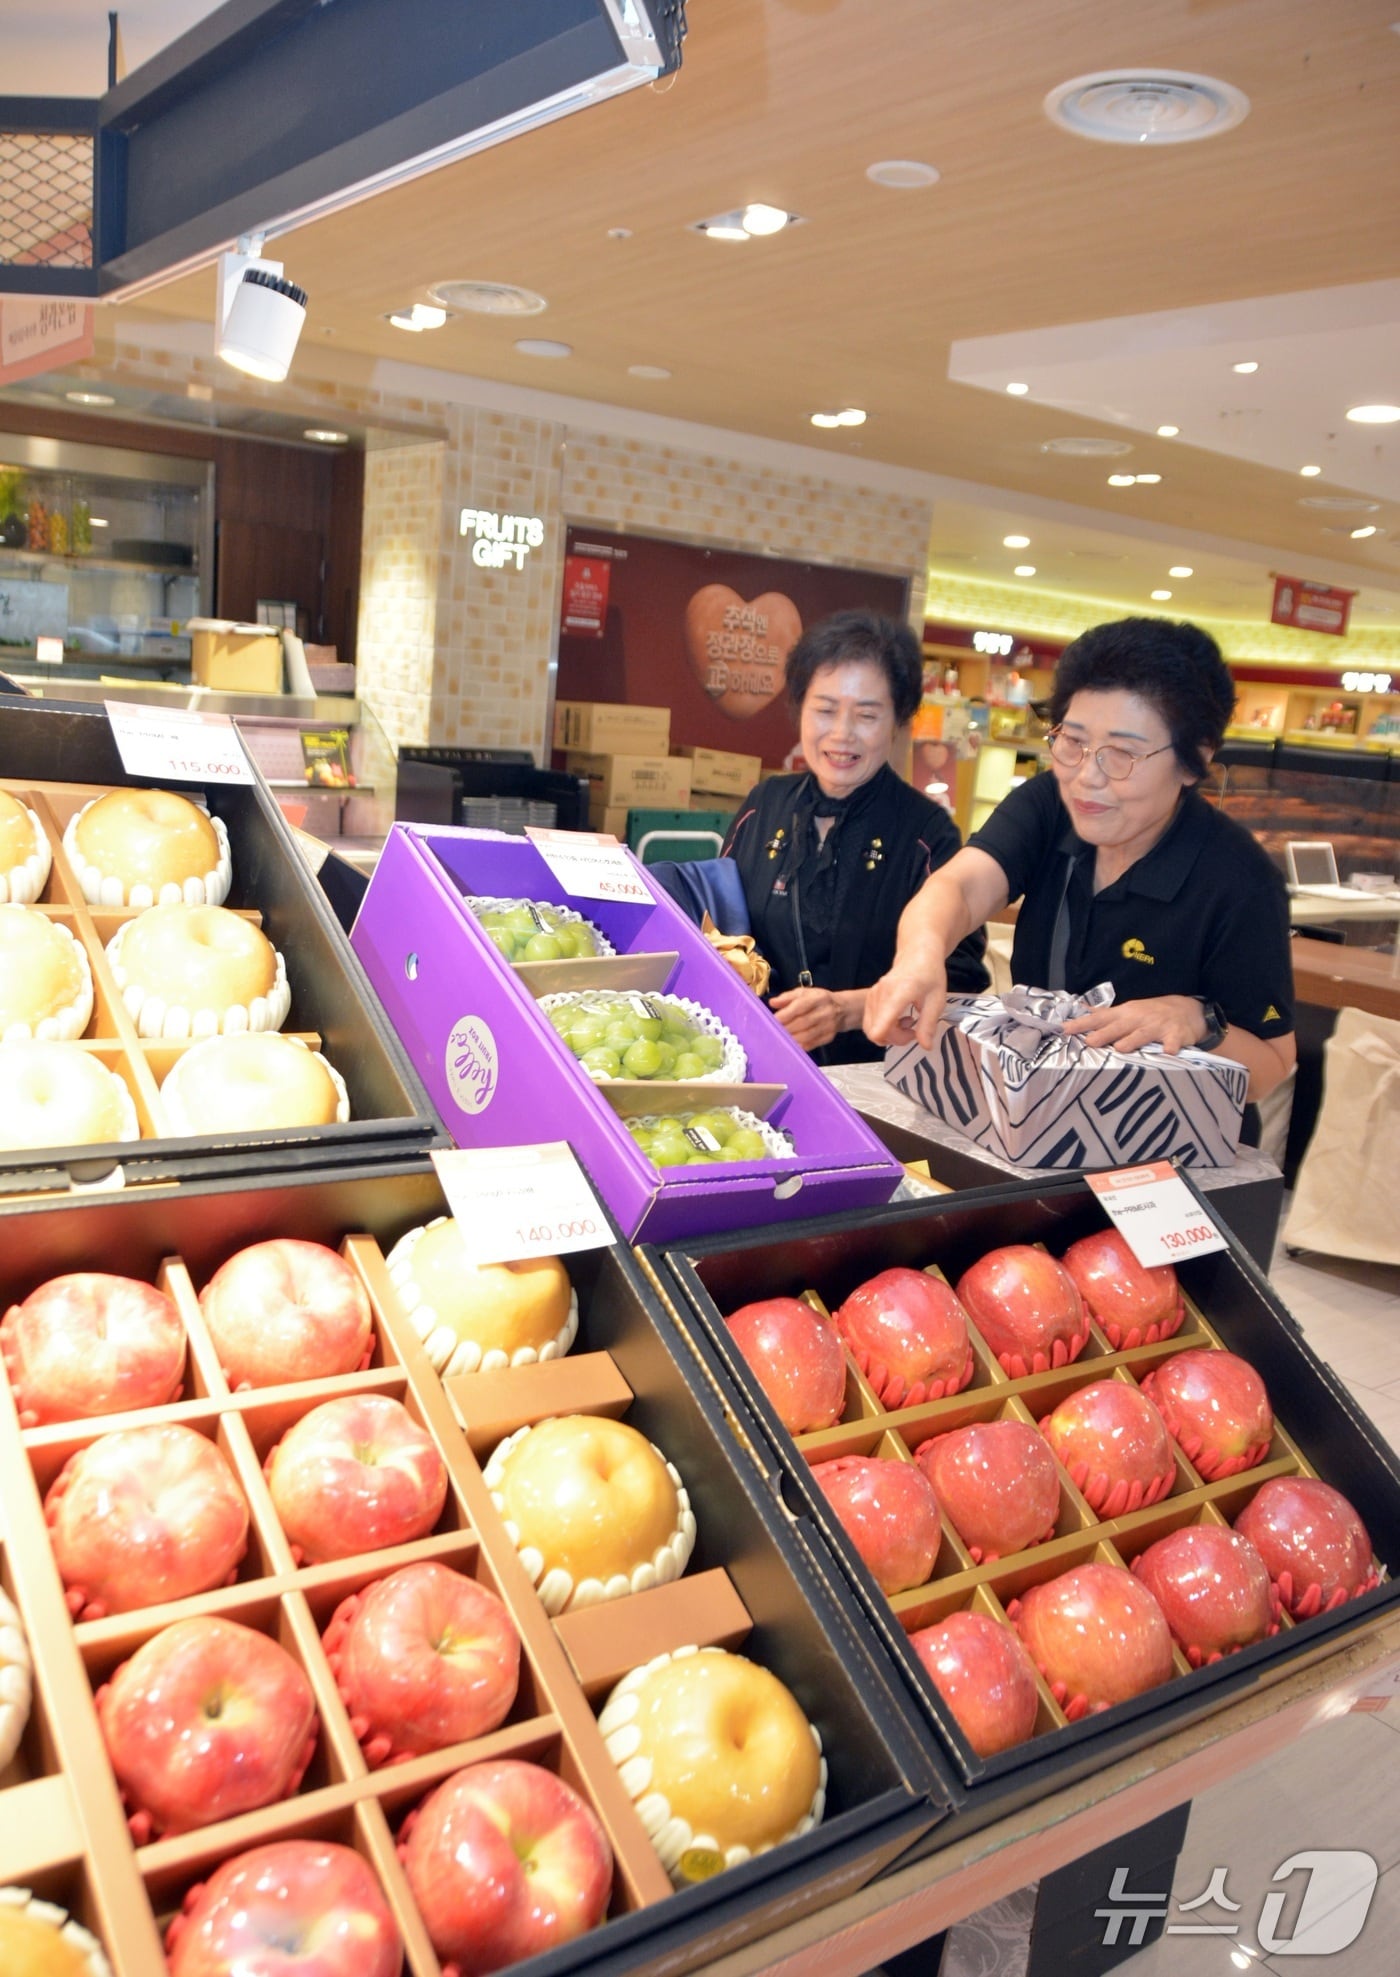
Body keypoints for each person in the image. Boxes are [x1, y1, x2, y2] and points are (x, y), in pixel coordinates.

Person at [864, 616, 1296, 1105]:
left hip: (1168, 1150)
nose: (1087, 776)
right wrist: (920, 958)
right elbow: (958, 888)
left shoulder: (1238, 880)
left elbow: (1272, 1067)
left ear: (1193, 758)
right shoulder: (1050, 803)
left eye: (1122, 754)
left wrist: (1199, 1022)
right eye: (1072, 743)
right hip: (1039, 1114)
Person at [723, 608, 988, 1064]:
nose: (842, 735)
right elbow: (717, 918)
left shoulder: (927, 833)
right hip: (753, 1060)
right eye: (825, 710)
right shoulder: (764, 804)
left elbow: (960, 979)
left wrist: (848, 1009)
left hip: (874, 1081)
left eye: (867, 715)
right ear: (800, 708)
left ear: (898, 722)